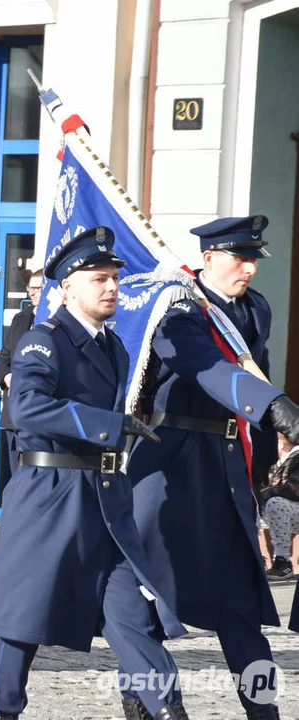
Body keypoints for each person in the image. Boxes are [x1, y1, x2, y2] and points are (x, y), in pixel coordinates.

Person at [0, 226, 189, 720]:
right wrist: (107, 425)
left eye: (115, 277)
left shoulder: (114, 347)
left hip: (104, 500)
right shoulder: (43, 341)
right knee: (21, 622)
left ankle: (169, 711)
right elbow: (26, 407)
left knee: (133, 618)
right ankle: (2, 712)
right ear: (68, 288)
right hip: (49, 497)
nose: (112, 286)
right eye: (100, 278)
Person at [126, 215, 299, 719]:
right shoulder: (176, 310)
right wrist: (272, 405)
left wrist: (268, 462)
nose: (249, 269)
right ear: (208, 259)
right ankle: (142, 701)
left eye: (254, 259)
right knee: (151, 604)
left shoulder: (256, 310)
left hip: (227, 467)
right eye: (239, 258)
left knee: (241, 606)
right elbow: (210, 369)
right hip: (170, 465)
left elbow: (253, 369)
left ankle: (263, 710)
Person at [0, 268, 42, 501]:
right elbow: (3, 357)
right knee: (16, 474)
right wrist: (7, 376)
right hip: (14, 412)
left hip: (40, 413)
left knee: (35, 478)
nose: (33, 292)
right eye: (31, 287)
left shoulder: (57, 320)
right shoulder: (21, 319)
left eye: (38, 288)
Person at [260, 434, 299, 580]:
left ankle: (283, 562)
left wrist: (263, 495)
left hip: (291, 508)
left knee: (276, 504)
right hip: (286, 510)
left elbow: (294, 489)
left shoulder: (297, 455)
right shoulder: (275, 458)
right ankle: (258, 558)